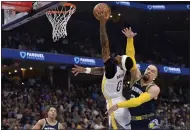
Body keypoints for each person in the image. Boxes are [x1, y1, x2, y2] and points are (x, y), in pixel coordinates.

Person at [72, 7, 137, 130]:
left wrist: (102, 23)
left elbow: (104, 44)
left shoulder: (112, 68)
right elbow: (102, 70)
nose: (118, 55)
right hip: (120, 101)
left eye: (119, 57)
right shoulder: (118, 69)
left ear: (119, 63)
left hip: (115, 105)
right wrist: (85, 70)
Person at [106, 64, 161, 130]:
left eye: (153, 71)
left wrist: (118, 105)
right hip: (133, 121)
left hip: (148, 120)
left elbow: (138, 101)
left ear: (155, 76)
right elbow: (131, 58)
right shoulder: (136, 77)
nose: (149, 71)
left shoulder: (154, 88)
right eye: (148, 69)